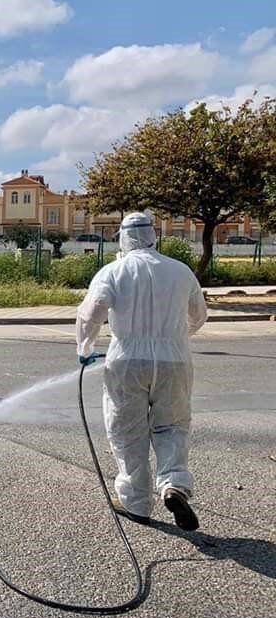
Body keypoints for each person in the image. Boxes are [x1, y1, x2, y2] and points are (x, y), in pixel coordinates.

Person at [76, 212, 208, 530]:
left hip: (126, 362)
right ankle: (174, 483)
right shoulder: (180, 271)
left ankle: (136, 502)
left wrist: (84, 348)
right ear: (154, 236)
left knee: (127, 430)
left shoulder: (112, 272)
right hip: (174, 361)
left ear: (123, 238)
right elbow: (199, 315)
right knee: (172, 425)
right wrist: (176, 337)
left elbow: (90, 314)